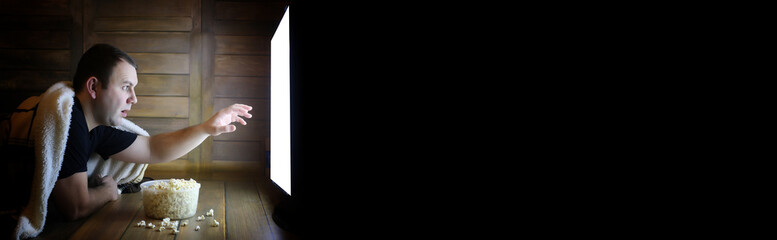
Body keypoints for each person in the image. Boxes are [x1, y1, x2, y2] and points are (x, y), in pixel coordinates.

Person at [51, 44, 252, 221]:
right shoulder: (71, 119)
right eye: (125, 87)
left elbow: (151, 148)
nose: (134, 99)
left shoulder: (96, 128)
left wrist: (206, 128)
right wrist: (108, 191)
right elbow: (75, 207)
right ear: (93, 86)